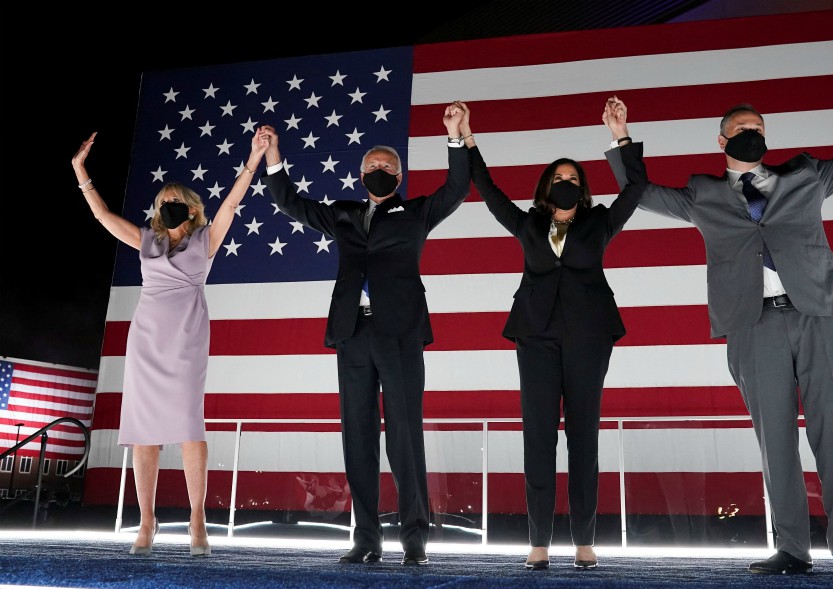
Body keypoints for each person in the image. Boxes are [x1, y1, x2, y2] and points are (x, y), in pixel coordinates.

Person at [602, 39, 833, 579]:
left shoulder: (806, 177)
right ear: (722, 139)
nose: (754, 132)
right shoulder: (702, 193)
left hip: (817, 312)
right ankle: (793, 548)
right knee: (775, 438)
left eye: (761, 128)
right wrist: (623, 140)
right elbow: (640, 192)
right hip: (754, 324)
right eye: (744, 126)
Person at [257, 102, 471, 566]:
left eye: (387, 167)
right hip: (353, 334)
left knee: (404, 437)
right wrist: (273, 157)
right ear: (360, 175)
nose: (378, 171)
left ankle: (415, 539)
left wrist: (456, 135)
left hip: (399, 334)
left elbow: (456, 189)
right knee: (358, 437)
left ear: (399, 177)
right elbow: (290, 202)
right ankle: (366, 538)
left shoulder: (415, 214)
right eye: (371, 166)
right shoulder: (345, 215)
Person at [458, 100, 647, 570]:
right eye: (559, 178)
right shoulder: (526, 223)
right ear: (546, 188)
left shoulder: (600, 221)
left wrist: (621, 137)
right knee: (538, 437)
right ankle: (538, 540)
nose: (566, 183)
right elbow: (487, 188)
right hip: (536, 338)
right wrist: (466, 139)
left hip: (589, 338)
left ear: (582, 190)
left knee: (585, 437)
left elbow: (637, 186)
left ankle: (584, 540)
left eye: (574, 179)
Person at [71, 128, 270, 556]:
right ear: (158, 211)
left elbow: (232, 203)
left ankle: (197, 519)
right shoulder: (147, 241)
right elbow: (104, 218)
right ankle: (147, 521)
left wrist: (253, 158)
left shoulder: (205, 240)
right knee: (144, 433)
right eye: (163, 203)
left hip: (186, 341)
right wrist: (80, 171)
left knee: (188, 429)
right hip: (146, 342)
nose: (170, 206)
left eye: (177, 201)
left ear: (193, 209)